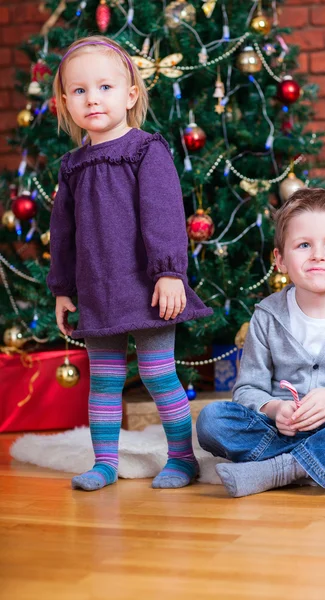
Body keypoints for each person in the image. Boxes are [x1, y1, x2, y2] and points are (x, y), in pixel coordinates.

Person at [48, 36, 213, 491]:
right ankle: (105, 462)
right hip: (98, 290)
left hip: (149, 287)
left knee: (159, 375)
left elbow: (163, 214)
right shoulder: (71, 166)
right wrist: (63, 288)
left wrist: (169, 272)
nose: (93, 98)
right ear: (65, 102)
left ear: (130, 94)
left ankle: (182, 458)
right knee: (104, 381)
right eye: (79, 91)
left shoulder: (145, 150)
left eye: (104, 87)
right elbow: (62, 235)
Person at [197, 188, 325, 498]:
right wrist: (275, 408)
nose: (318, 254)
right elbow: (247, 389)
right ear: (280, 260)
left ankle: (286, 468)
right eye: (304, 245)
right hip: (283, 429)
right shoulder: (266, 315)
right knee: (211, 421)